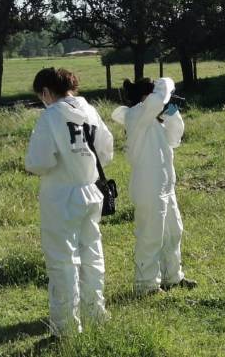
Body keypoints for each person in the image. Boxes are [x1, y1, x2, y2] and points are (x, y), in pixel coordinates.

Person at [25, 68, 114, 336]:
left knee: (63, 260)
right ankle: (96, 312)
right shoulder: (90, 110)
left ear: (45, 92)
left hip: (61, 194)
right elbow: (106, 151)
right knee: (92, 254)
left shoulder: (50, 116)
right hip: (90, 190)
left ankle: (65, 325)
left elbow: (39, 162)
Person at [112, 78, 196, 296]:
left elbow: (175, 138)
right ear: (146, 97)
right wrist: (165, 86)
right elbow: (161, 92)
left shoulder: (153, 120)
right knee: (151, 234)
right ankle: (146, 285)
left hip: (166, 185)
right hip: (148, 187)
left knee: (173, 232)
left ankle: (173, 277)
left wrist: (172, 114)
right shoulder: (136, 115)